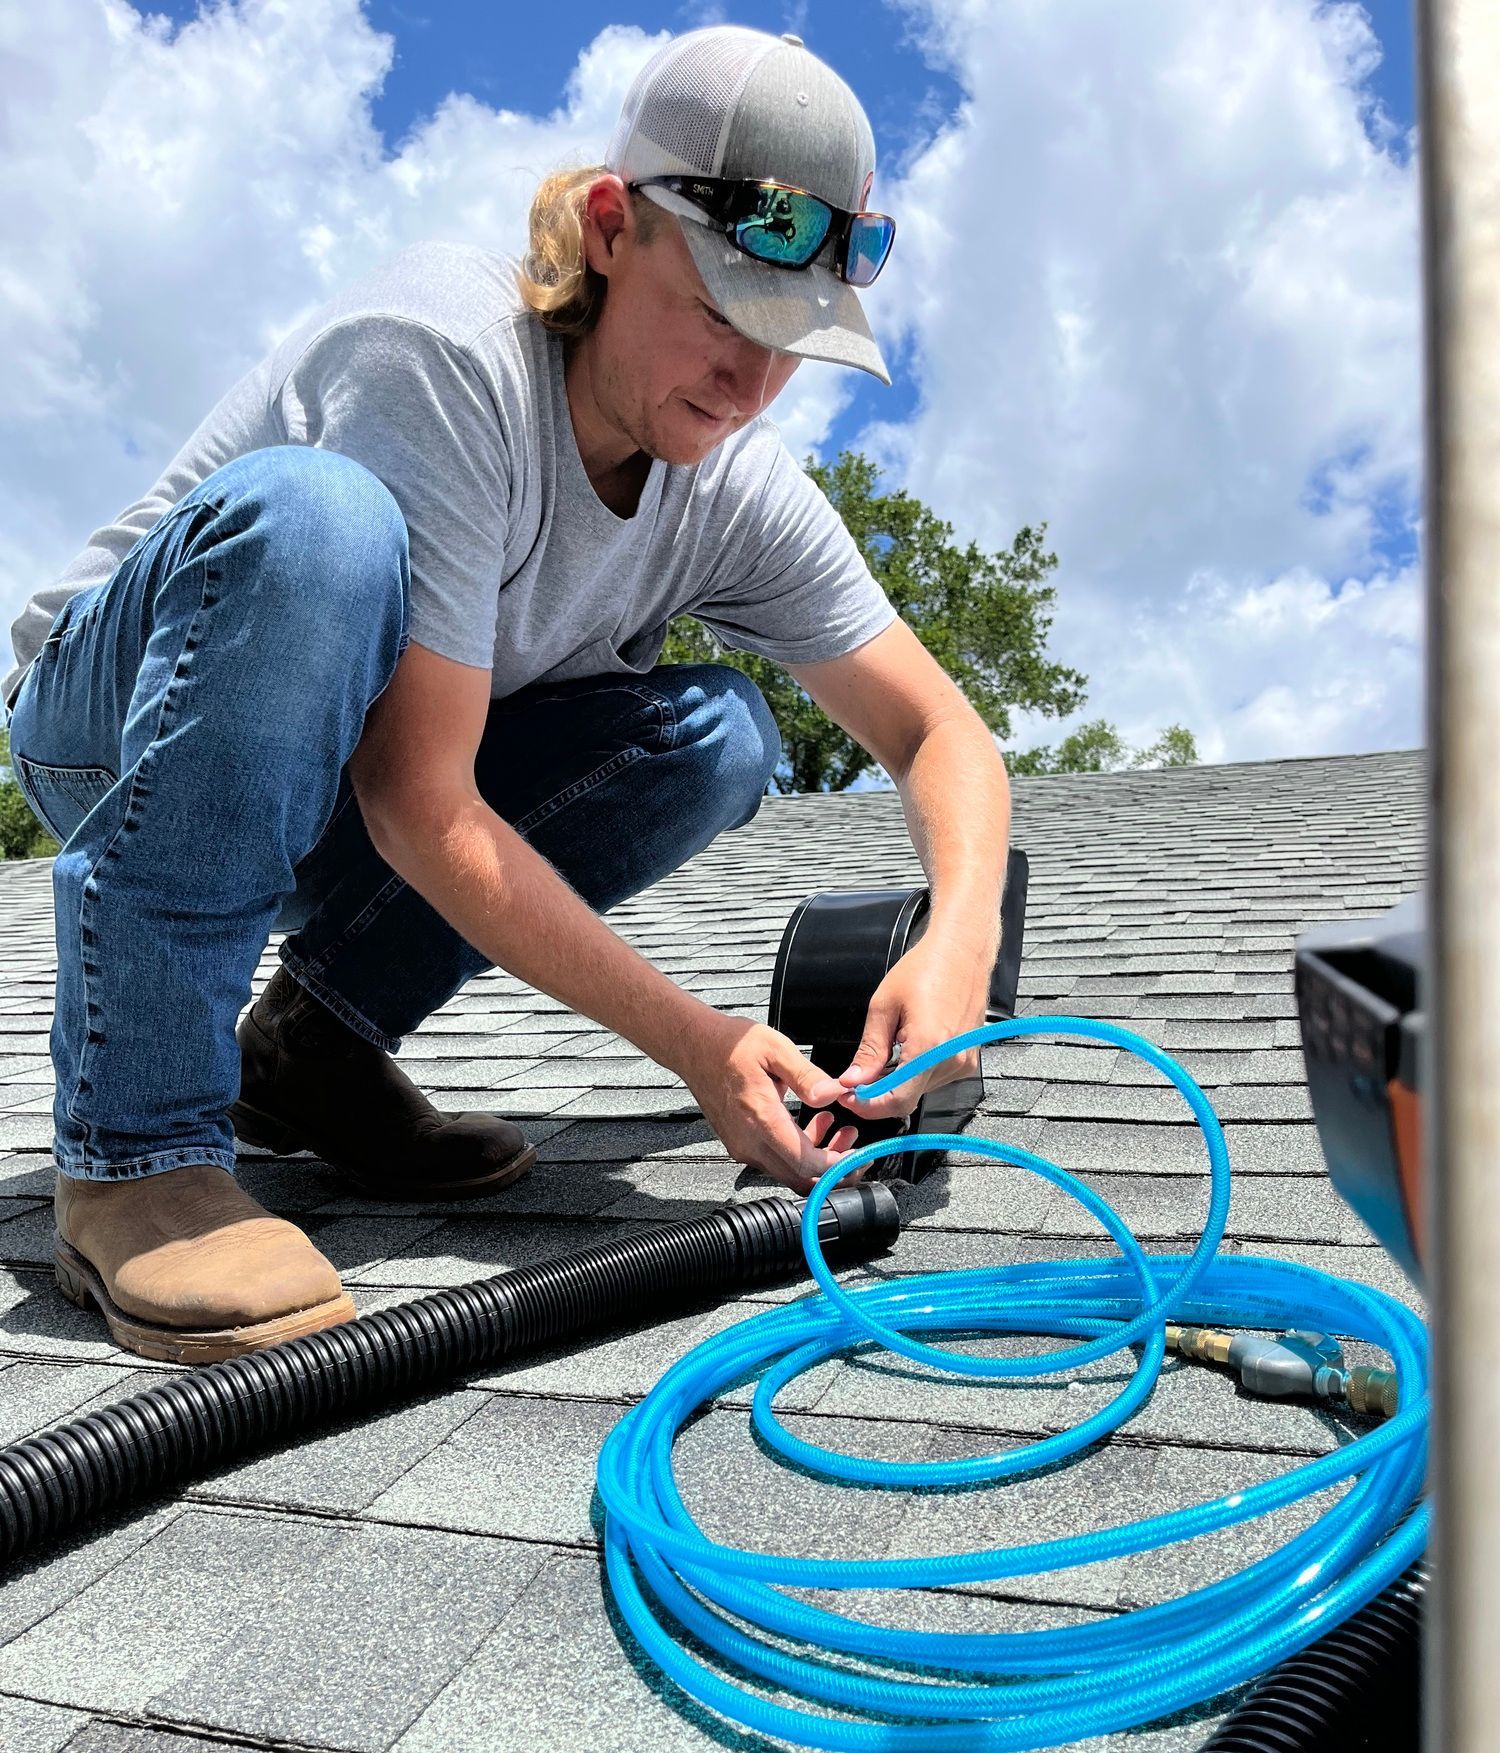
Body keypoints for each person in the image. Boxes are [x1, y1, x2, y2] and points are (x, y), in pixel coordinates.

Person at [3, 24, 1011, 1365]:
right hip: (118, 735)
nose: (753, 387)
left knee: (716, 736)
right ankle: (136, 1151)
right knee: (319, 522)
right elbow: (424, 807)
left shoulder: (728, 482)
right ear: (612, 227)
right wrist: (706, 1048)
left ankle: (312, 1051)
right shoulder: (446, 354)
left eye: (794, 346)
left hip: (345, 781)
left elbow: (940, 731)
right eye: (723, 317)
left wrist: (957, 950)